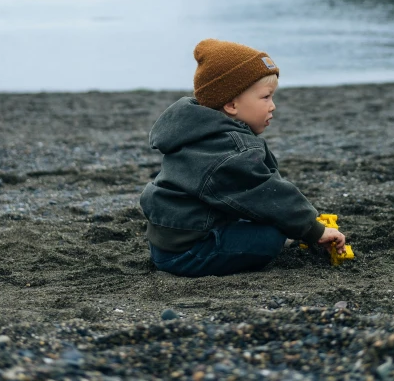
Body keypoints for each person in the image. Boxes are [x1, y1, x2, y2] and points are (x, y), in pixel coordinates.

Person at [140, 38, 346, 277]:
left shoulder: (202, 133)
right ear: (231, 105)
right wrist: (313, 230)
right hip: (187, 253)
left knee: (271, 222)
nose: (273, 106)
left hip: (170, 242)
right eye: (265, 97)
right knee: (271, 235)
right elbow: (265, 193)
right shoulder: (230, 150)